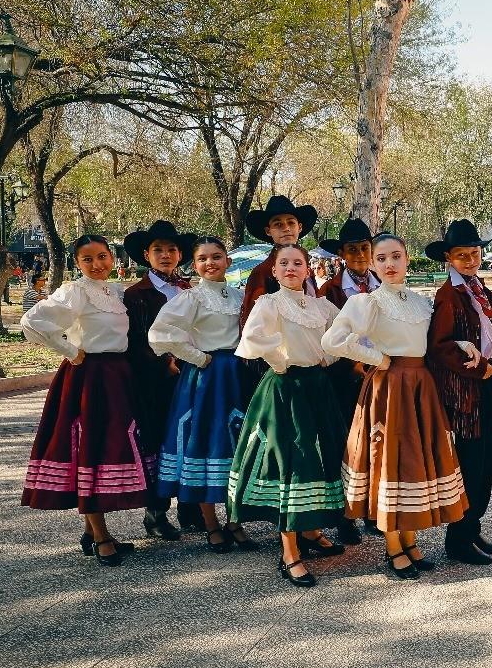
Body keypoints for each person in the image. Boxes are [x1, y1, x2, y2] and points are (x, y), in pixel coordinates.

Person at [322, 233, 467, 581]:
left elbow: (430, 342)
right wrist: (376, 357)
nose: (389, 264)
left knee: (415, 463)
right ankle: (393, 546)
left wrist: (460, 343)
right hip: (389, 388)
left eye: (396, 256)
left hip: (421, 387)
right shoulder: (366, 302)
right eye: (382, 258)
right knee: (390, 461)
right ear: (372, 262)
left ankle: (410, 540)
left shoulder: (420, 302)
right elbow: (333, 341)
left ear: (407, 259)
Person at [20, 235, 149, 566]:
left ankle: (92, 532)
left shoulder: (115, 291)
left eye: (102, 256)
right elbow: (33, 321)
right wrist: (71, 351)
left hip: (117, 375)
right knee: (89, 450)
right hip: (89, 376)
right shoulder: (74, 291)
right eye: (88, 259)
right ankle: (101, 535)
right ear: (77, 263)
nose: (97, 264)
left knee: (106, 449)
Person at [229, 244, 346, 587]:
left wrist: (330, 357)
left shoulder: (322, 305)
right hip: (284, 389)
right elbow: (252, 340)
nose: (292, 268)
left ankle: (310, 530)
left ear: (308, 270)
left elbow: (344, 335)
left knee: (319, 457)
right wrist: (281, 361)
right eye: (285, 264)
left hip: (317, 389)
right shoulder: (269, 303)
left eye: (298, 263)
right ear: (275, 271)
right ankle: (289, 551)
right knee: (291, 462)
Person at [148, 236, 257, 554]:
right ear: (194, 265)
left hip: (237, 374)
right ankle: (211, 523)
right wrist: (197, 357)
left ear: (228, 261)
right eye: (203, 259)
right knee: (206, 441)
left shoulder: (241, 296)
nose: (210, 263)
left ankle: (234, 521)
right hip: (207, 378)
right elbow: (159, 333)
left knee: (233, 445)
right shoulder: (191, 298)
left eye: (217, 257)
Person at [426, 220, 492, 566]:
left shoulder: (479, 289)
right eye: (462, 255)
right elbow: (441, 347)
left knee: (485, 457)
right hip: (463, 392)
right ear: (449, 258)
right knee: (470, 461)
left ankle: (472, 527)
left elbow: (488, 333)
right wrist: (481, 368)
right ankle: (458, 537)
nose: (470, 260)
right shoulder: (448, 296)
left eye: (474, 253)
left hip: (483, 381)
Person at [122, 219, 197, 540]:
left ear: (180, 254)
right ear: (147, 255)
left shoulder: (190, 290)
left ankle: (191, 507)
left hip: (193, 373)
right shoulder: (137, 294)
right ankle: (156, 512)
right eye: (158, 250)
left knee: (191, 437)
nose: (165, 255)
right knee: (160, 442)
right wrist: (164, 362)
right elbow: (136, 340)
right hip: (156, 382)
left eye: (171, 249)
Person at [318, 218, 379, 545]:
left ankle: (371, 511)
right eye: (352, 249)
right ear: (342, 253)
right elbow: (330, 338)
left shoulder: (380, 284)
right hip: (346, 379)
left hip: (378, 376)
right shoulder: (332, 290)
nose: (359, 254)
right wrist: (355, 364)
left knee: (374, 443)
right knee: (346, 446)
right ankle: (345, 517)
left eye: (364, 248)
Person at [238, 195, 320, 330]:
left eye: (291, 223)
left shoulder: (306, 268)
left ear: (299, 227)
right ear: (268, 231)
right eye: (278, 224)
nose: (286, 228)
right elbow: (252, 323)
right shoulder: (262, 272)